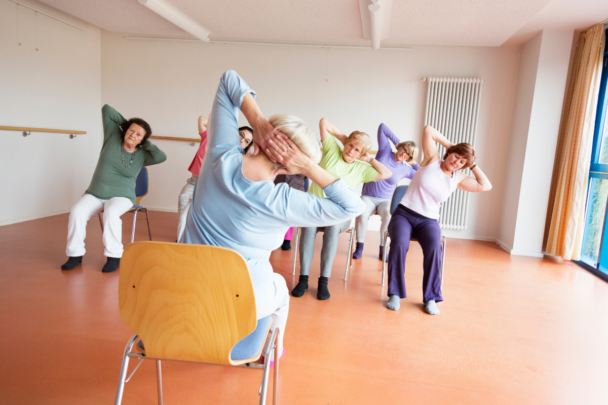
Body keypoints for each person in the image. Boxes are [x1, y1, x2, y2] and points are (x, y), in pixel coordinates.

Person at [180, 70, 365, 361]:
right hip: (231, 321)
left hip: (178, 308)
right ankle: (272, 354)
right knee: (278, 286)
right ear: (292, 165)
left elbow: (229, 79)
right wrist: (308, 167)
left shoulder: (220, 156)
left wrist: (258, 123)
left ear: (263, 137)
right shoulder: (284, 201)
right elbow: (353, 207)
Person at [386, 125, 492, 315]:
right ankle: (395, 293)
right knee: (400, 243)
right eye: (456, 157)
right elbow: (428, 130)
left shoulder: (458, 178)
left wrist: (473, 164)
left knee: (435, 248)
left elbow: (486, 185)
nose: (457, 162)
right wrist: (451, 145)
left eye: (462, 162)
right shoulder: (432, 158)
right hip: (404, 214)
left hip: (428, 221)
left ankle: (431, 298)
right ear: (449, 153)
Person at [291, 118, 392, 300]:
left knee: (331, 229)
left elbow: (387, 174)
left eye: (357, 150)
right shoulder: (332, 150)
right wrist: (346, 139)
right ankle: (303, 279)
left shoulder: (362, 169)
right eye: (350, 145)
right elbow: (323, 122)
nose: (351, 151)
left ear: (362, 153)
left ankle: (323, 281)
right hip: (315, 207)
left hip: (339, 213)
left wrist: (369, 159)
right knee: (308, 229)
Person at [61, 105, 167, 273]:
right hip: (96, 193)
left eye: (138, 134)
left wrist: (144, 141)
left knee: (111, 213)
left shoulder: (142, 155)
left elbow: (162, 156)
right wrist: (129, 126)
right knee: (77, 211)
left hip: (122, 196)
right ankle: (75, 255)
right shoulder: (112, 136)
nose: (133, 135)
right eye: (131, 131)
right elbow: (107, 110)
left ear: (143, 140)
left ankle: (114, 256)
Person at [176, 115, 253, 240]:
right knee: (184, 199)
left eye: (247, 141)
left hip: (213, 188)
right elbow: (201, 119)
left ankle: (193, 238)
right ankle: (183, 238)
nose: (242, 140)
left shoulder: (239, 157)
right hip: (194, 182)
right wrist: (224, 129)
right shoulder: (212, 138)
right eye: (241, 135)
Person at [353, 123, 419, 261]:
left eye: (408, 154)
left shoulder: (406, 169)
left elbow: (421, 174)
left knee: (388, 217)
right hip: (368, 197)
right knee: (362, 213)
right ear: (399, 147)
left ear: (409, 158)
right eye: (403, 149)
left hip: (386, 200)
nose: (403, 154)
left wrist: (413, 163)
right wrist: (397, 142)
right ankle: (359, 246)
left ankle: (382, 250)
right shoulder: (385, 151)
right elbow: (382, 127)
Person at [273, 174, 307, 250]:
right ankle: (274, 235)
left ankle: (287, 239)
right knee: (276, 210)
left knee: (291, 212)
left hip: (296, 185)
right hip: (280, 182)